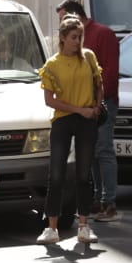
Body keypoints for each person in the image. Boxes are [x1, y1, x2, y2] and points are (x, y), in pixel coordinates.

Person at [36, 16, 102, 245]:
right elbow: (49, 100)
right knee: (56, 174)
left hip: (87, 120)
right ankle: (51, 228)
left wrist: (96, 107)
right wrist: (78, 110)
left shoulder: (89, 57)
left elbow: (99, 84)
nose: (78, 41)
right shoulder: (52, 64)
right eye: (74, 37)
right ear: (63, 38)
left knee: (83, 174)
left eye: (80, 37)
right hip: (63, 120)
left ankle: (84, 226)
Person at [57, 0, 120, 222]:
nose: (62, 25)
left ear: (76, 15)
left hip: (102, 104)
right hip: (83, 106)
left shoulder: (103, 34)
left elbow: (109, 75)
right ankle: (97, 200)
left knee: (103, 150)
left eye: (64, 18)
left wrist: (97, 103)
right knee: (91, 153)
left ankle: (109, 203)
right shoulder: (76, 38)